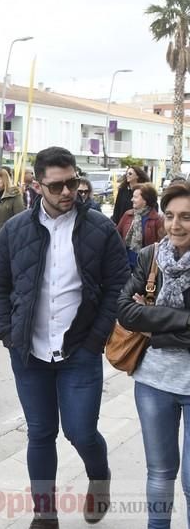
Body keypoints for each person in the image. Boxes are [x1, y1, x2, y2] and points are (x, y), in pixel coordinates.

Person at [0, 146, 129, 527]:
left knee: (81, 432)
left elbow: (119, 284)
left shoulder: (99, 227)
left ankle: (99, 476)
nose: (68, 192)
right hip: (29, 354)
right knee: (41, 433)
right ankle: (44, 514)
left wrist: (97, 336)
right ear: (37, 186)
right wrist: (5, 329)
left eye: (73, 183)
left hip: (79, 350)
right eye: (57, 186)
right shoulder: (15, 230)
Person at [118, 182, 190, 529]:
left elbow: (141, 315)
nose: (176, 225)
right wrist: (183, 323)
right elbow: (124, 312)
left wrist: (154, 327)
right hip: (153, 382)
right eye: (172, 216)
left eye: (187, 217)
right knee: (160, 472)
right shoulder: (150, 257)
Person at [116, 182, 165, 270]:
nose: (132, 199)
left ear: (145, 199)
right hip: (125, 264)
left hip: (146, 267)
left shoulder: (158, 220)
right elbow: (116, 237)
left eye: (135, 197)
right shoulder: (128, 215)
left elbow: (161, 247)